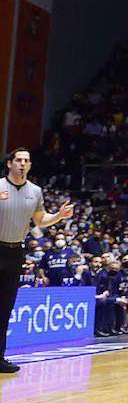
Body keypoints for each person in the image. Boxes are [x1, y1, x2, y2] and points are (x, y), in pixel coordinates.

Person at [0, 148, 73, 373]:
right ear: (10, 163)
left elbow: (40, 221)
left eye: (26, 160)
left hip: (15, 253)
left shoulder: (36, 191)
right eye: (18, 160)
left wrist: (59, 216)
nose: (22, 164)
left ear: (30, 165)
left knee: (4, 309)